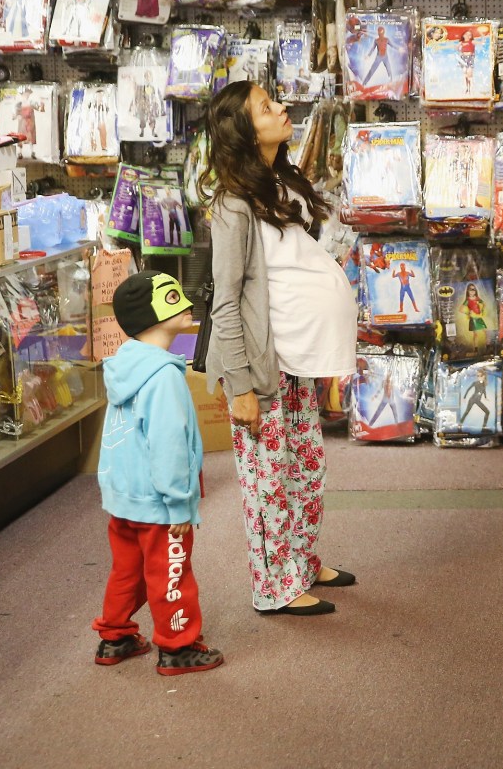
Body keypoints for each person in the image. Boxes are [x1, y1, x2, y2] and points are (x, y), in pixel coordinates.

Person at [205, 81, 359, 617]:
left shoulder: (280, 185)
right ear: (244, 131)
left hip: (295, 360)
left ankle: (302, 561)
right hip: (260, 370)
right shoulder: (232, 205)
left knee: (305, 471)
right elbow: (225, 303)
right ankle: (274, 586)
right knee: (267, 481)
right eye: (266, 108)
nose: (282, 109)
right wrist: (240, 387)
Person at [92, 271, 223, 676]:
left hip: (124, 496)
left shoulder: (126, 365)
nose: (187, 302)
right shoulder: (164, 376)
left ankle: (115, 636)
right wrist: (179, 503)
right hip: (159, 503)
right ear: (151, 314)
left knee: (127, 572)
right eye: (172, 297)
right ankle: (177, 647)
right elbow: (168, 444)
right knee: (172, 574)